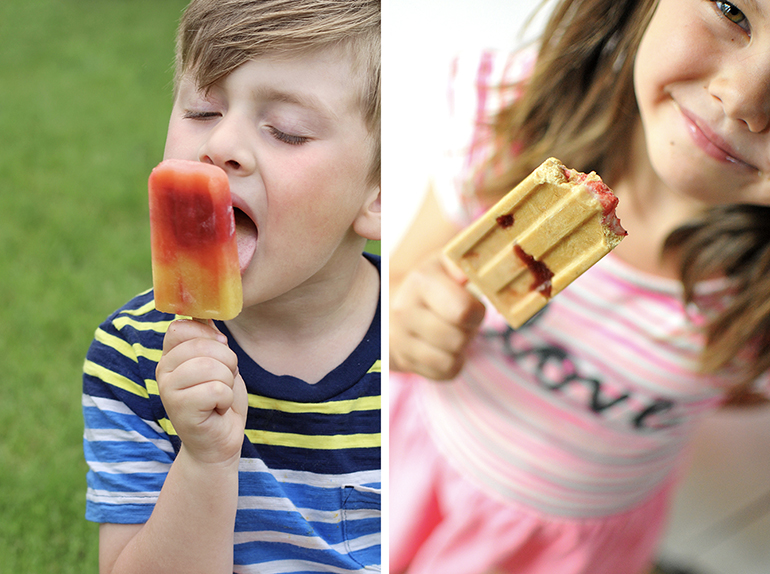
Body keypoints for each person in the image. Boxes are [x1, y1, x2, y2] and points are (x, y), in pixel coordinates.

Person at [389, 0, 770, 573]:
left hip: (574, 551)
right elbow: (389, 301)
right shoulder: (509, 131)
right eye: (732, 10)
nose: (742, 99)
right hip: (417, 474)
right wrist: (401, 328)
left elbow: (738, 389)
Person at [82, 0, 381, 572]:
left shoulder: (421, 338)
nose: (222, 145)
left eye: (285, 131)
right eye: (202, 109)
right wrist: (205, 462)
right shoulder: (133, 358)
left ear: (381, 193)